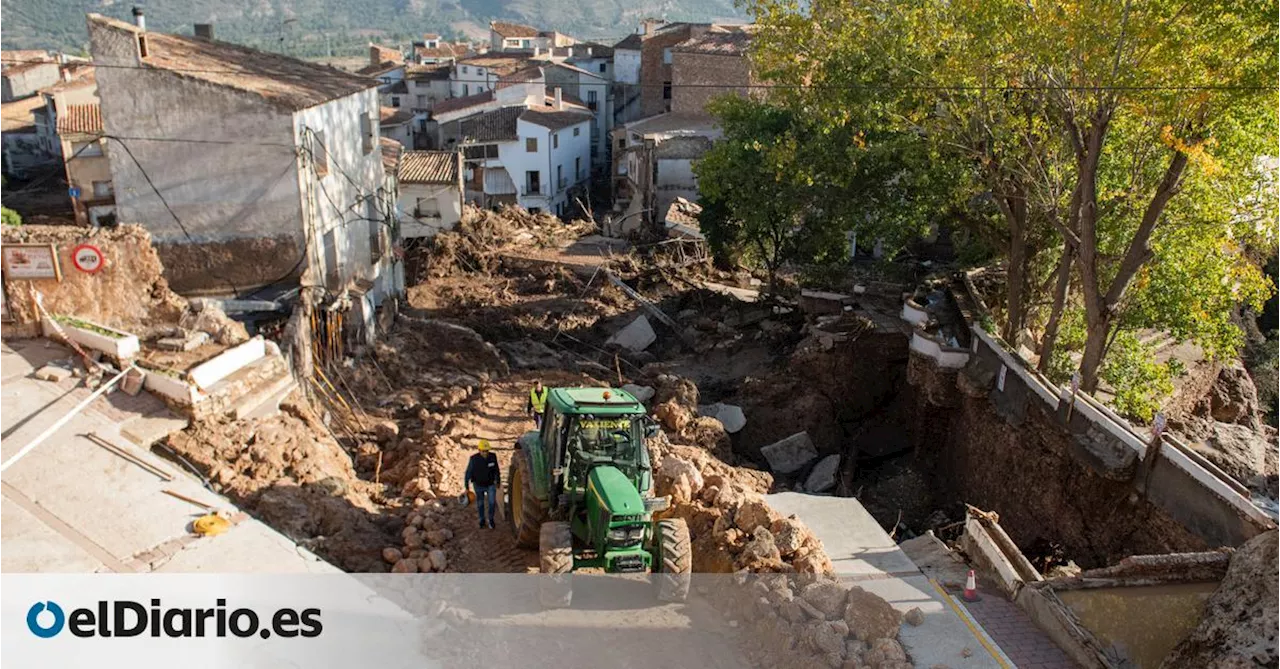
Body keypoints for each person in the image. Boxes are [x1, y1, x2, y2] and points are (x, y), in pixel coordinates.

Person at [464, 440, 500, 529]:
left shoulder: (493, 457)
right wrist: (466, 487)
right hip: (478, 485)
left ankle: (491, 520)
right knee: (480, 503)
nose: (485, 453)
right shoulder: (473, 459)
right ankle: (482, 520)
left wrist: (498, 481)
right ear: (479, 450)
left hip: (490, 485)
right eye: (483, 451)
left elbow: (496, 470)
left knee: (491, 503)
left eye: (487, 451)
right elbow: (468, 473)